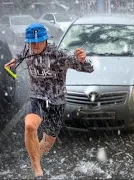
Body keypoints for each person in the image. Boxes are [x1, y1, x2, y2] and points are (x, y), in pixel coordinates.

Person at [4, 23, 94, 179]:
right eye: (33, 42)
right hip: (37, 96)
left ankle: (37, 153)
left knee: (47, 143)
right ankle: (38, 171)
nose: (36, 45)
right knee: (30, 126)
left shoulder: (58, 55)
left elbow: (88, 68)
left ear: (46, 40)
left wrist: (83, 60)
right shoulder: (28, 49)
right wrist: (13, 62)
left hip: (56, 101)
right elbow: (20, 55)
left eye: (39, 41)